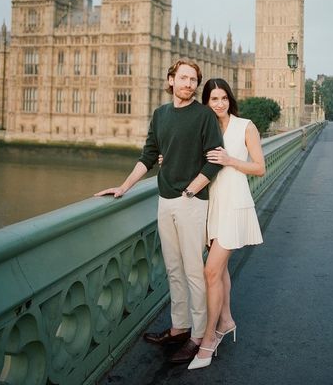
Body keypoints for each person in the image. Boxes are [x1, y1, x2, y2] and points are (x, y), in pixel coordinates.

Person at [95, 60, 223, 364]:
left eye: (194, 80)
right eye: (183, 78)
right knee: (174, 270)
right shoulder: (161, 114)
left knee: (194, 272)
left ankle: (197, 337)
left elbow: (214, 159)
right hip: (165, 201)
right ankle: (179, 327)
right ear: (170, 81)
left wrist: (191, 190)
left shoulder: (204, 116)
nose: (189, 84)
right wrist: (124, 186)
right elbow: (148, 156)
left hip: (192, 202)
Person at [187, 78, 265, 370]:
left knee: (211, 271)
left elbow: (259, 167)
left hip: (234, 203)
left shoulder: (245, 126)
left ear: (230, 99)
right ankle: (227, 321)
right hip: (213, 204)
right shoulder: (206, 128)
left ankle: (208, 340)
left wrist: (230, 159)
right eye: (213, 99)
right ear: (206, 102)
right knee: (220, 272)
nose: (219, 103)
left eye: (223, 98)